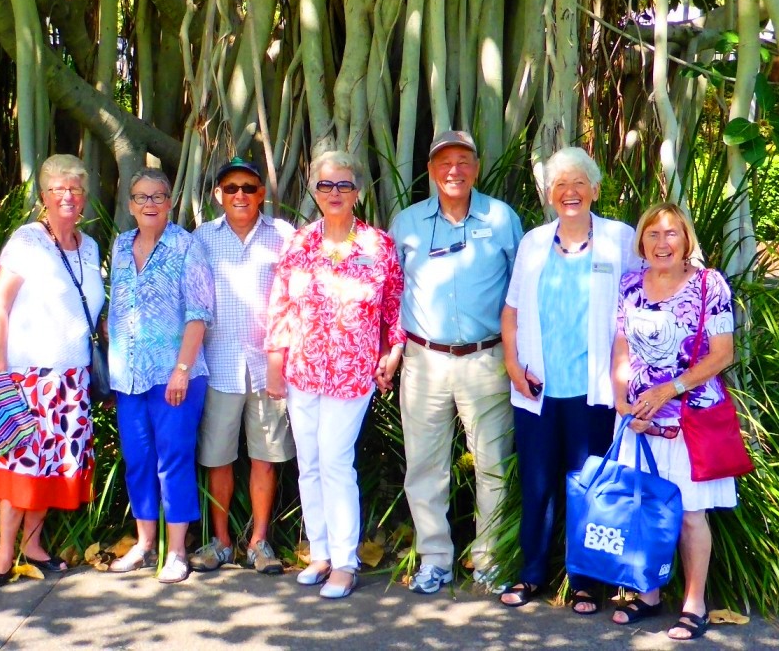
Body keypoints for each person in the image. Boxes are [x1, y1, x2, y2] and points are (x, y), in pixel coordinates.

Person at [498, 147, 641, 611]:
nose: (570, 192)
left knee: (587, 485)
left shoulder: (619, 239)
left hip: (595, 390)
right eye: (561, 185)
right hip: (537, 389)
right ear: (550, 195)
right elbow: (512, 310)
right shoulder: (534, 243)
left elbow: (643, 302)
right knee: (537, 486)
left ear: (595, 190)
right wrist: (513, 367)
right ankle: (531, 574)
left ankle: (584, 581)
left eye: (579, 183)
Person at [265, 151, 405, 599]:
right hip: (302, 369)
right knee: (309, 461)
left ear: (358, 192)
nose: (335, 193)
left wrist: (394, 349)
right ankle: (320, 553)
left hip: (351, 372)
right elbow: (281, 305)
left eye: (344, 185)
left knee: (335, 458)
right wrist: (274, 362)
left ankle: (345, 561)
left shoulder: (378, 245)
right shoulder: (300, 243)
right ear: (314, 191)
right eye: (326, 185)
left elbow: (394, 307)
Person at [389, 130, 522, 595]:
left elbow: (521, 290)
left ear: (477, 167)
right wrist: (393, 351)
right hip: (423, 360)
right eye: (444, 161)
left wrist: (518, 355)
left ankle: (490, 558)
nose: (454, 170)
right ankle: (435, 558)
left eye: (464, 160)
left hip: (486, 359)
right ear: (430, 170)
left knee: (493, 463)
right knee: (424, 465)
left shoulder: (501, 218)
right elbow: (392, 293)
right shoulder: (406, 222)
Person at [0, 155, 102, 588]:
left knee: (49, 466)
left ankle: (33, 544)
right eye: (58, 188)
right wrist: (0, 368)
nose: (68, 196)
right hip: (28, 376)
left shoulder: (90, 246)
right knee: (19, 463)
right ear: (44, 195)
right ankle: (4, 553)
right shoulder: (27, 240)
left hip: (72, 379)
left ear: (85, 197)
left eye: (76, 189)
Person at [610, 202, 736, 641]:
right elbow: (622, 348)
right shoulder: (630, 284)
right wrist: (622, 400)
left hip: (689, 420)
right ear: (641, 242)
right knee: (643, 507)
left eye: (671, 234)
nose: (662, 243)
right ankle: (648, 594)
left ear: (686, 241)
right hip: (640, 419)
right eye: (653, 235)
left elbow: (723, 354)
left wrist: (669, 389)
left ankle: (694, 602)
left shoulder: (708, 284)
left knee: (688, 514)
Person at [106, 168, 216, 584]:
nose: (149, 204)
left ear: (170, 202)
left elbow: (199, 313)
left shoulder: (186, 246)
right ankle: (145, 543)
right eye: (141, 197)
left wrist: (182, 369)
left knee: (173, 461)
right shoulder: (119, 246)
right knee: (138, 460)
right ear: (130, 204)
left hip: (175, 376)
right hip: (128, 376)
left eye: (158, 196)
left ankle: (177, 551)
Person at [190, 158, 296, 575]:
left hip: (269, 366)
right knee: (217, 457)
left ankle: (259, 542)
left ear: (261, 193)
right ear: (218, 194)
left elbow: (294, 300)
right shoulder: (201, 239)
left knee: (265, 458)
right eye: (231, 187)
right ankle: (220, 542)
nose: (240, 195)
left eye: (249, 187)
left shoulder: (283, 236)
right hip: (218, 365)